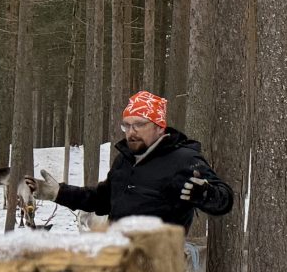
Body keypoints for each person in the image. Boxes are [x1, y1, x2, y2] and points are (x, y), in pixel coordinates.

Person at [54, 91, 234, 230]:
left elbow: (225, 199)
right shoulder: (124, 160)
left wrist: (205, 194)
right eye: (127, 125)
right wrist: (58, 192)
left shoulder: (183, 159)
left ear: (159, 128)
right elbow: (102, 199)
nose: (131, 132)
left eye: (139, 124)